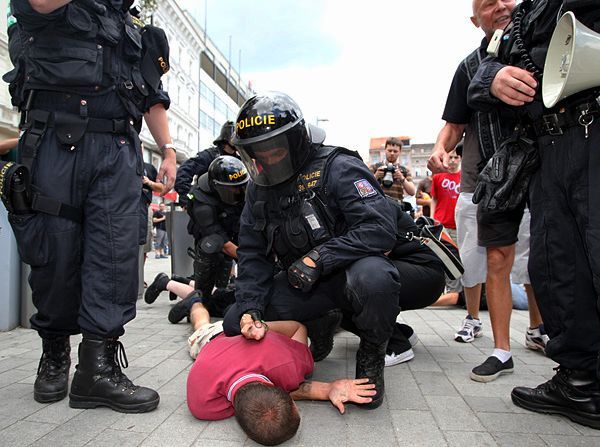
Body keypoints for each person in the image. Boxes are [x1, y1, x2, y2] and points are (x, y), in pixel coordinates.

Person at [2, 0, 177, 412]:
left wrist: (168, 149)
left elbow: (151, 96)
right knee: (55, 252)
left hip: (117, 149)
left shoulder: (137, 30)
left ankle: (96, 371)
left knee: (114, 257)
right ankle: (55, 355)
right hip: (55, 143)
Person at [221, 92, 446, 409]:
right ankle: (323, 321)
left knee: (371, 275)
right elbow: (252, 256)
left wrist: (319, 257)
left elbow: (378, 230)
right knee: (233, 320)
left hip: (406, 272)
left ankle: (371, 356)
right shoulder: (258, 190)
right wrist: (250, 309)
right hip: (321, 280)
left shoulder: (338, 167)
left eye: (276, 152)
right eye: (261, 154)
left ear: (296, 141)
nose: (269, 161)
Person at [467, 0, 600, 428]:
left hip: (592, 134)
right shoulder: (522, 19)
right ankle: (579, 381)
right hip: (547, 150)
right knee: (556, 263)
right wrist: (496, 78)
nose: (502, 5)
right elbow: (478, 78)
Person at [428, 0, 547, 384]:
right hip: (496, 178)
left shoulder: (546, 41)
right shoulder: (468, 66)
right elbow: (454, 123)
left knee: (541, 258)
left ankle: (540, 329)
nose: (500, 7)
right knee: (496, 256)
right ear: (474, 19)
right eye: (487, 4)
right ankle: (501, 349)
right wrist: (440, 148)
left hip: (548, 171)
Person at [186, 306, 376, 446]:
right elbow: (297, 329)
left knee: (202, 324)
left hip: (219, 338)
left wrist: (263, 327)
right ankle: (195, 299)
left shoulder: (286, 361)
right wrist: (325, 390)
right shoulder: (201, 405)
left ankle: (195, 300)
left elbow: (298, 329)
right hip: (212, 341)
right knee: (201, 323)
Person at [145, 155, 248, 321]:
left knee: (218, 294)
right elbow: (222, 243)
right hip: (210, 244)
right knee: (205, 299)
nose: (237, 192)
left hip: (231, 237)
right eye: (232, 189)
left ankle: (172, 284)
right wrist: (252, 258)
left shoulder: (241, 186)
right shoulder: (202, 203)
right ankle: (180, 292)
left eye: (240, 187)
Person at [174, 121, 238, 208]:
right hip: (209, 208)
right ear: (227, 137)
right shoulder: (209, 155)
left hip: (232, 206)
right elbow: (184, 172)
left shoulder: (239, 159)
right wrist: (188, 199)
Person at [370, 137, 416, 204]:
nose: (392, 153)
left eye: (395, 151)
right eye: (389, 150)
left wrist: (402, 178)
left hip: (397, 206)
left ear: (400, 152)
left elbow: (412, 192)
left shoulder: (404, 170)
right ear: (385, 150)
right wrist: (376, 176)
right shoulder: (374, 168)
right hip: (378, 205)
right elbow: (364, 189)